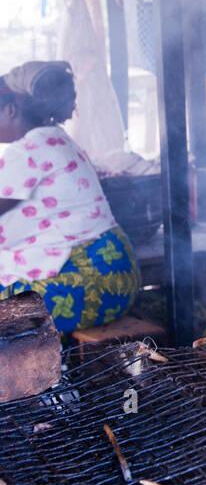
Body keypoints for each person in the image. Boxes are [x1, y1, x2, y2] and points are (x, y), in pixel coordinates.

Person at [0, 61, 141, 331]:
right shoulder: (56, 139)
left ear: (11, 109)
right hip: (116, 278)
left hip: (86, 282)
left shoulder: (27, 150)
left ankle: (49, 371)